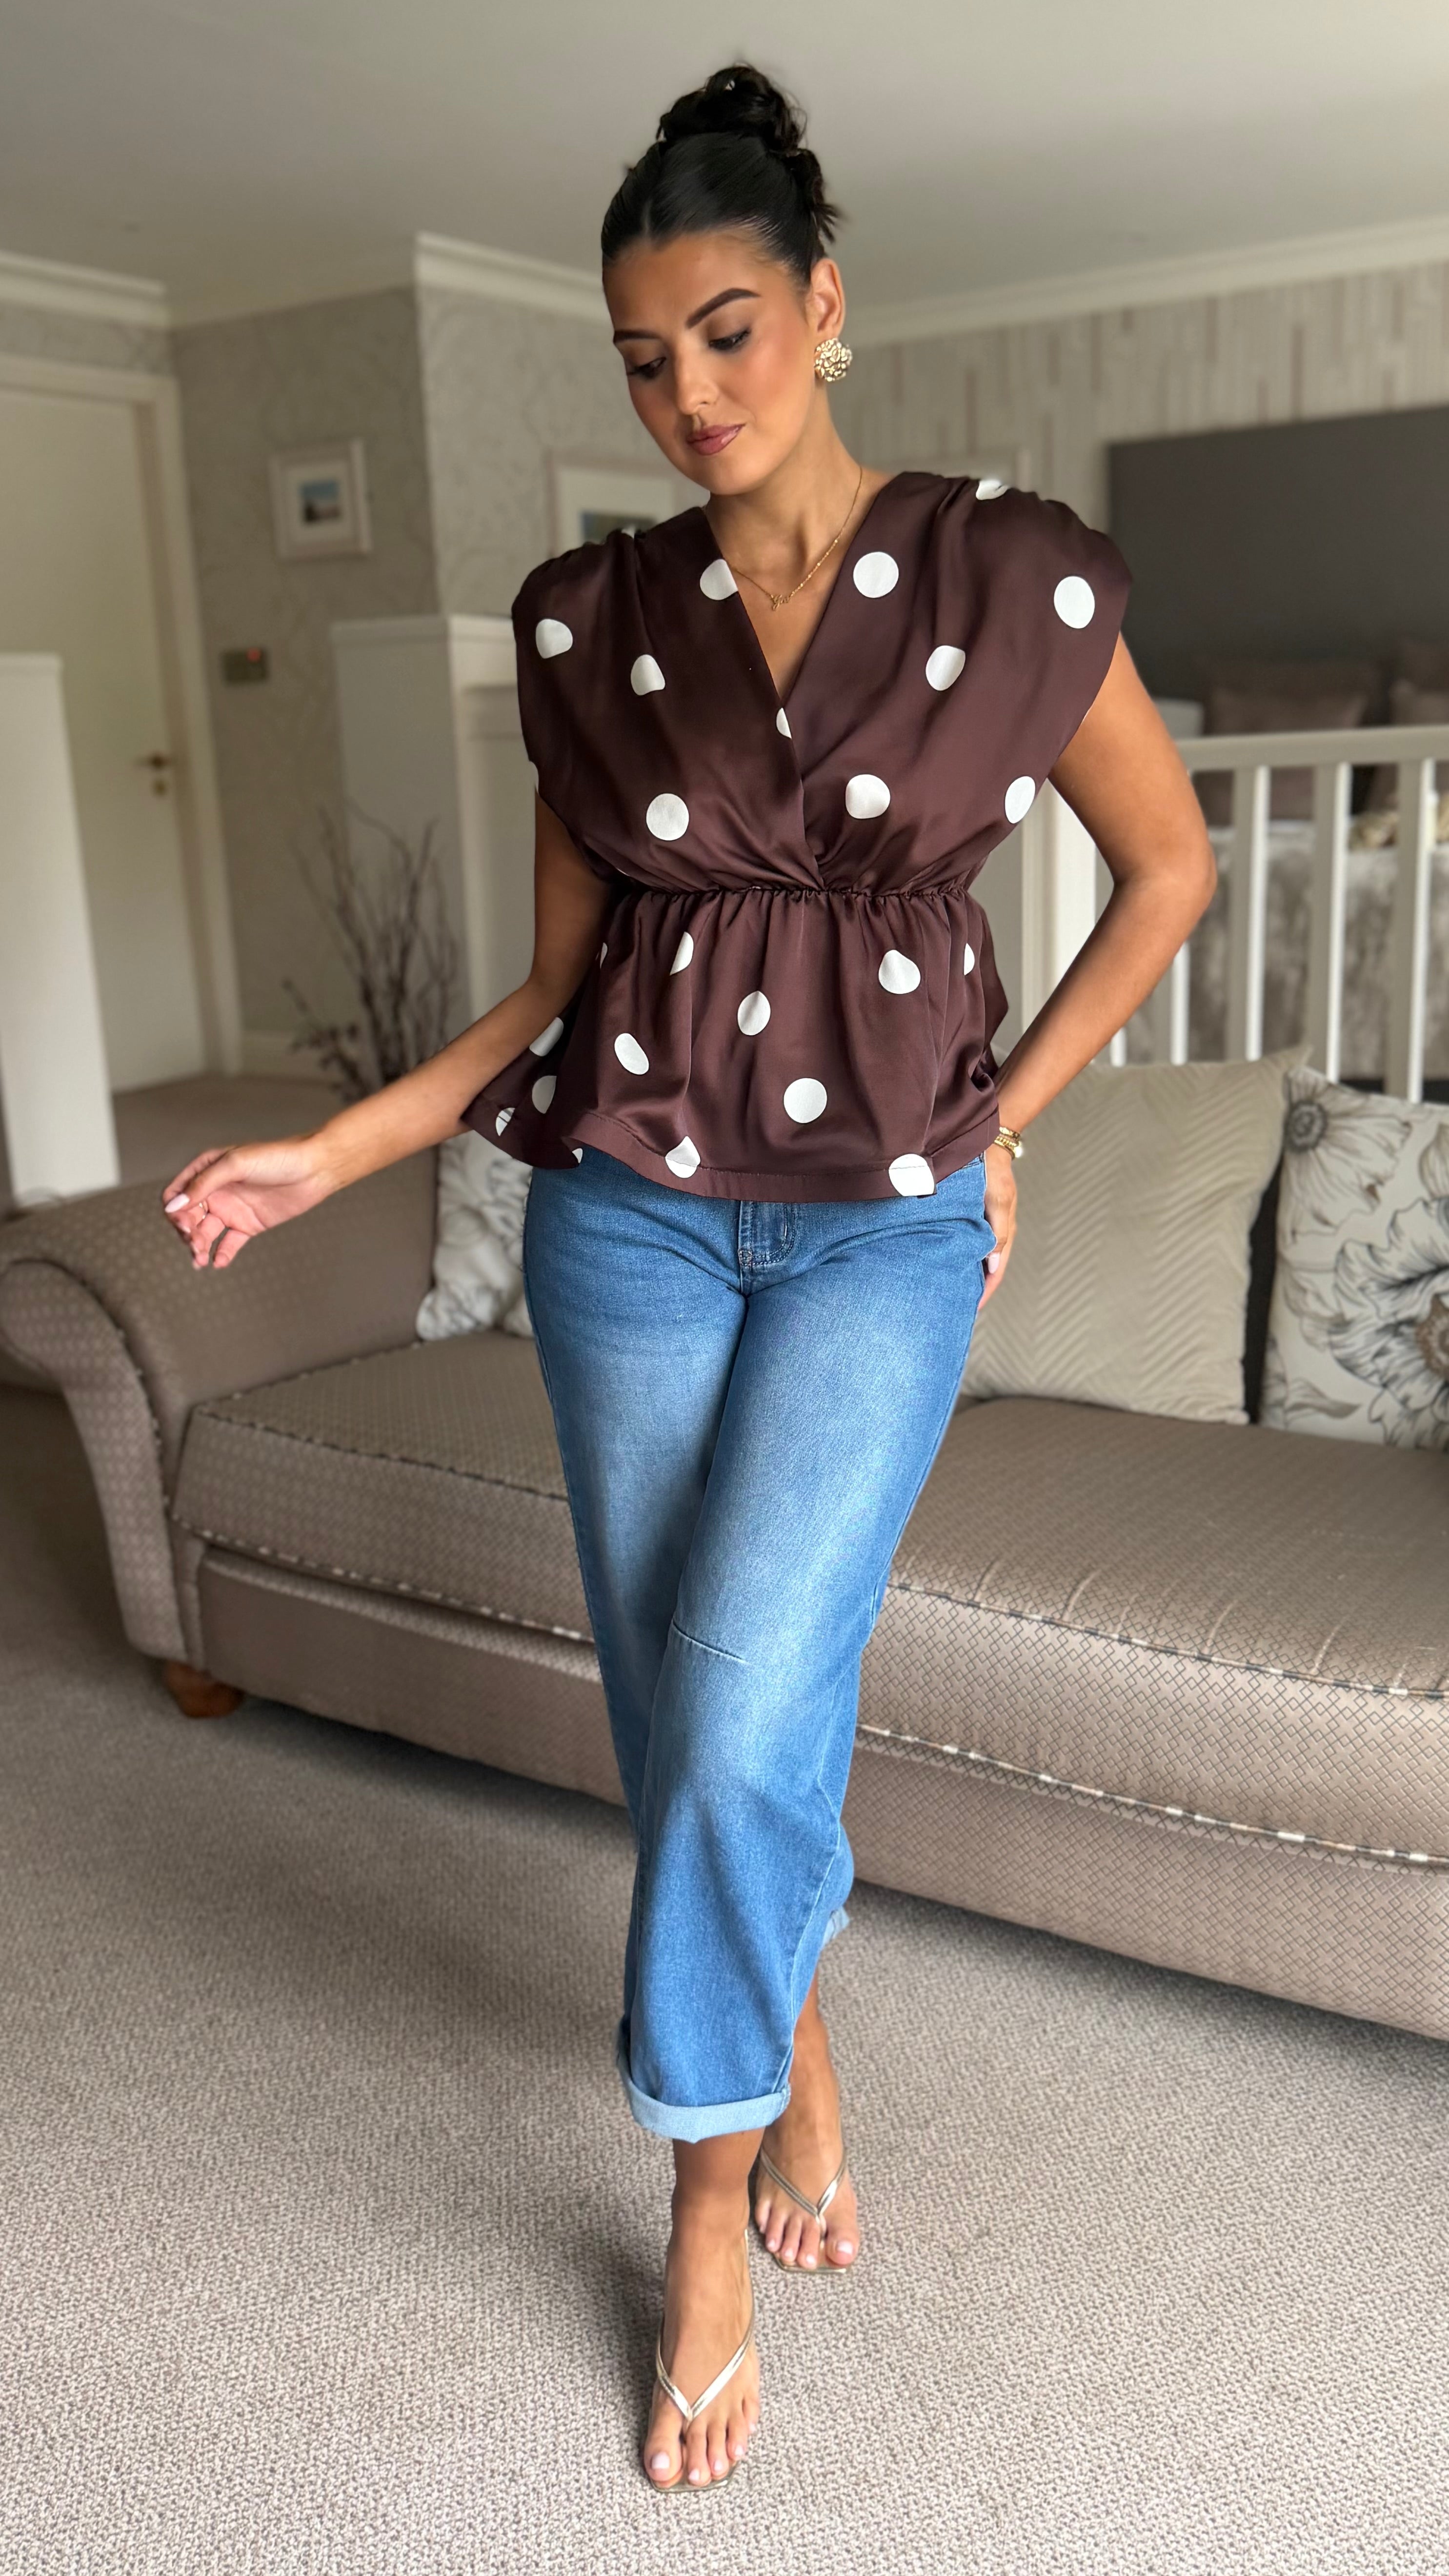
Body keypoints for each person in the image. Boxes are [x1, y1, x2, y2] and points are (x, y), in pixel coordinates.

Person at [162, 63, 1215, 2495]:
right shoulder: (589, 623)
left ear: (824, 308)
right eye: (644, 360)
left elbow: (1166, 871)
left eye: (728, 333)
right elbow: (551, 995)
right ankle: (796, 2042)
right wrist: (334, 1151)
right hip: (626, 1219)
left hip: (880, 1230)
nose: (690, 393)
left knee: (744, 1692)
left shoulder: (1014, 580)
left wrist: (995, 1124)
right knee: (674, 1707)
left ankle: (701, 2195)